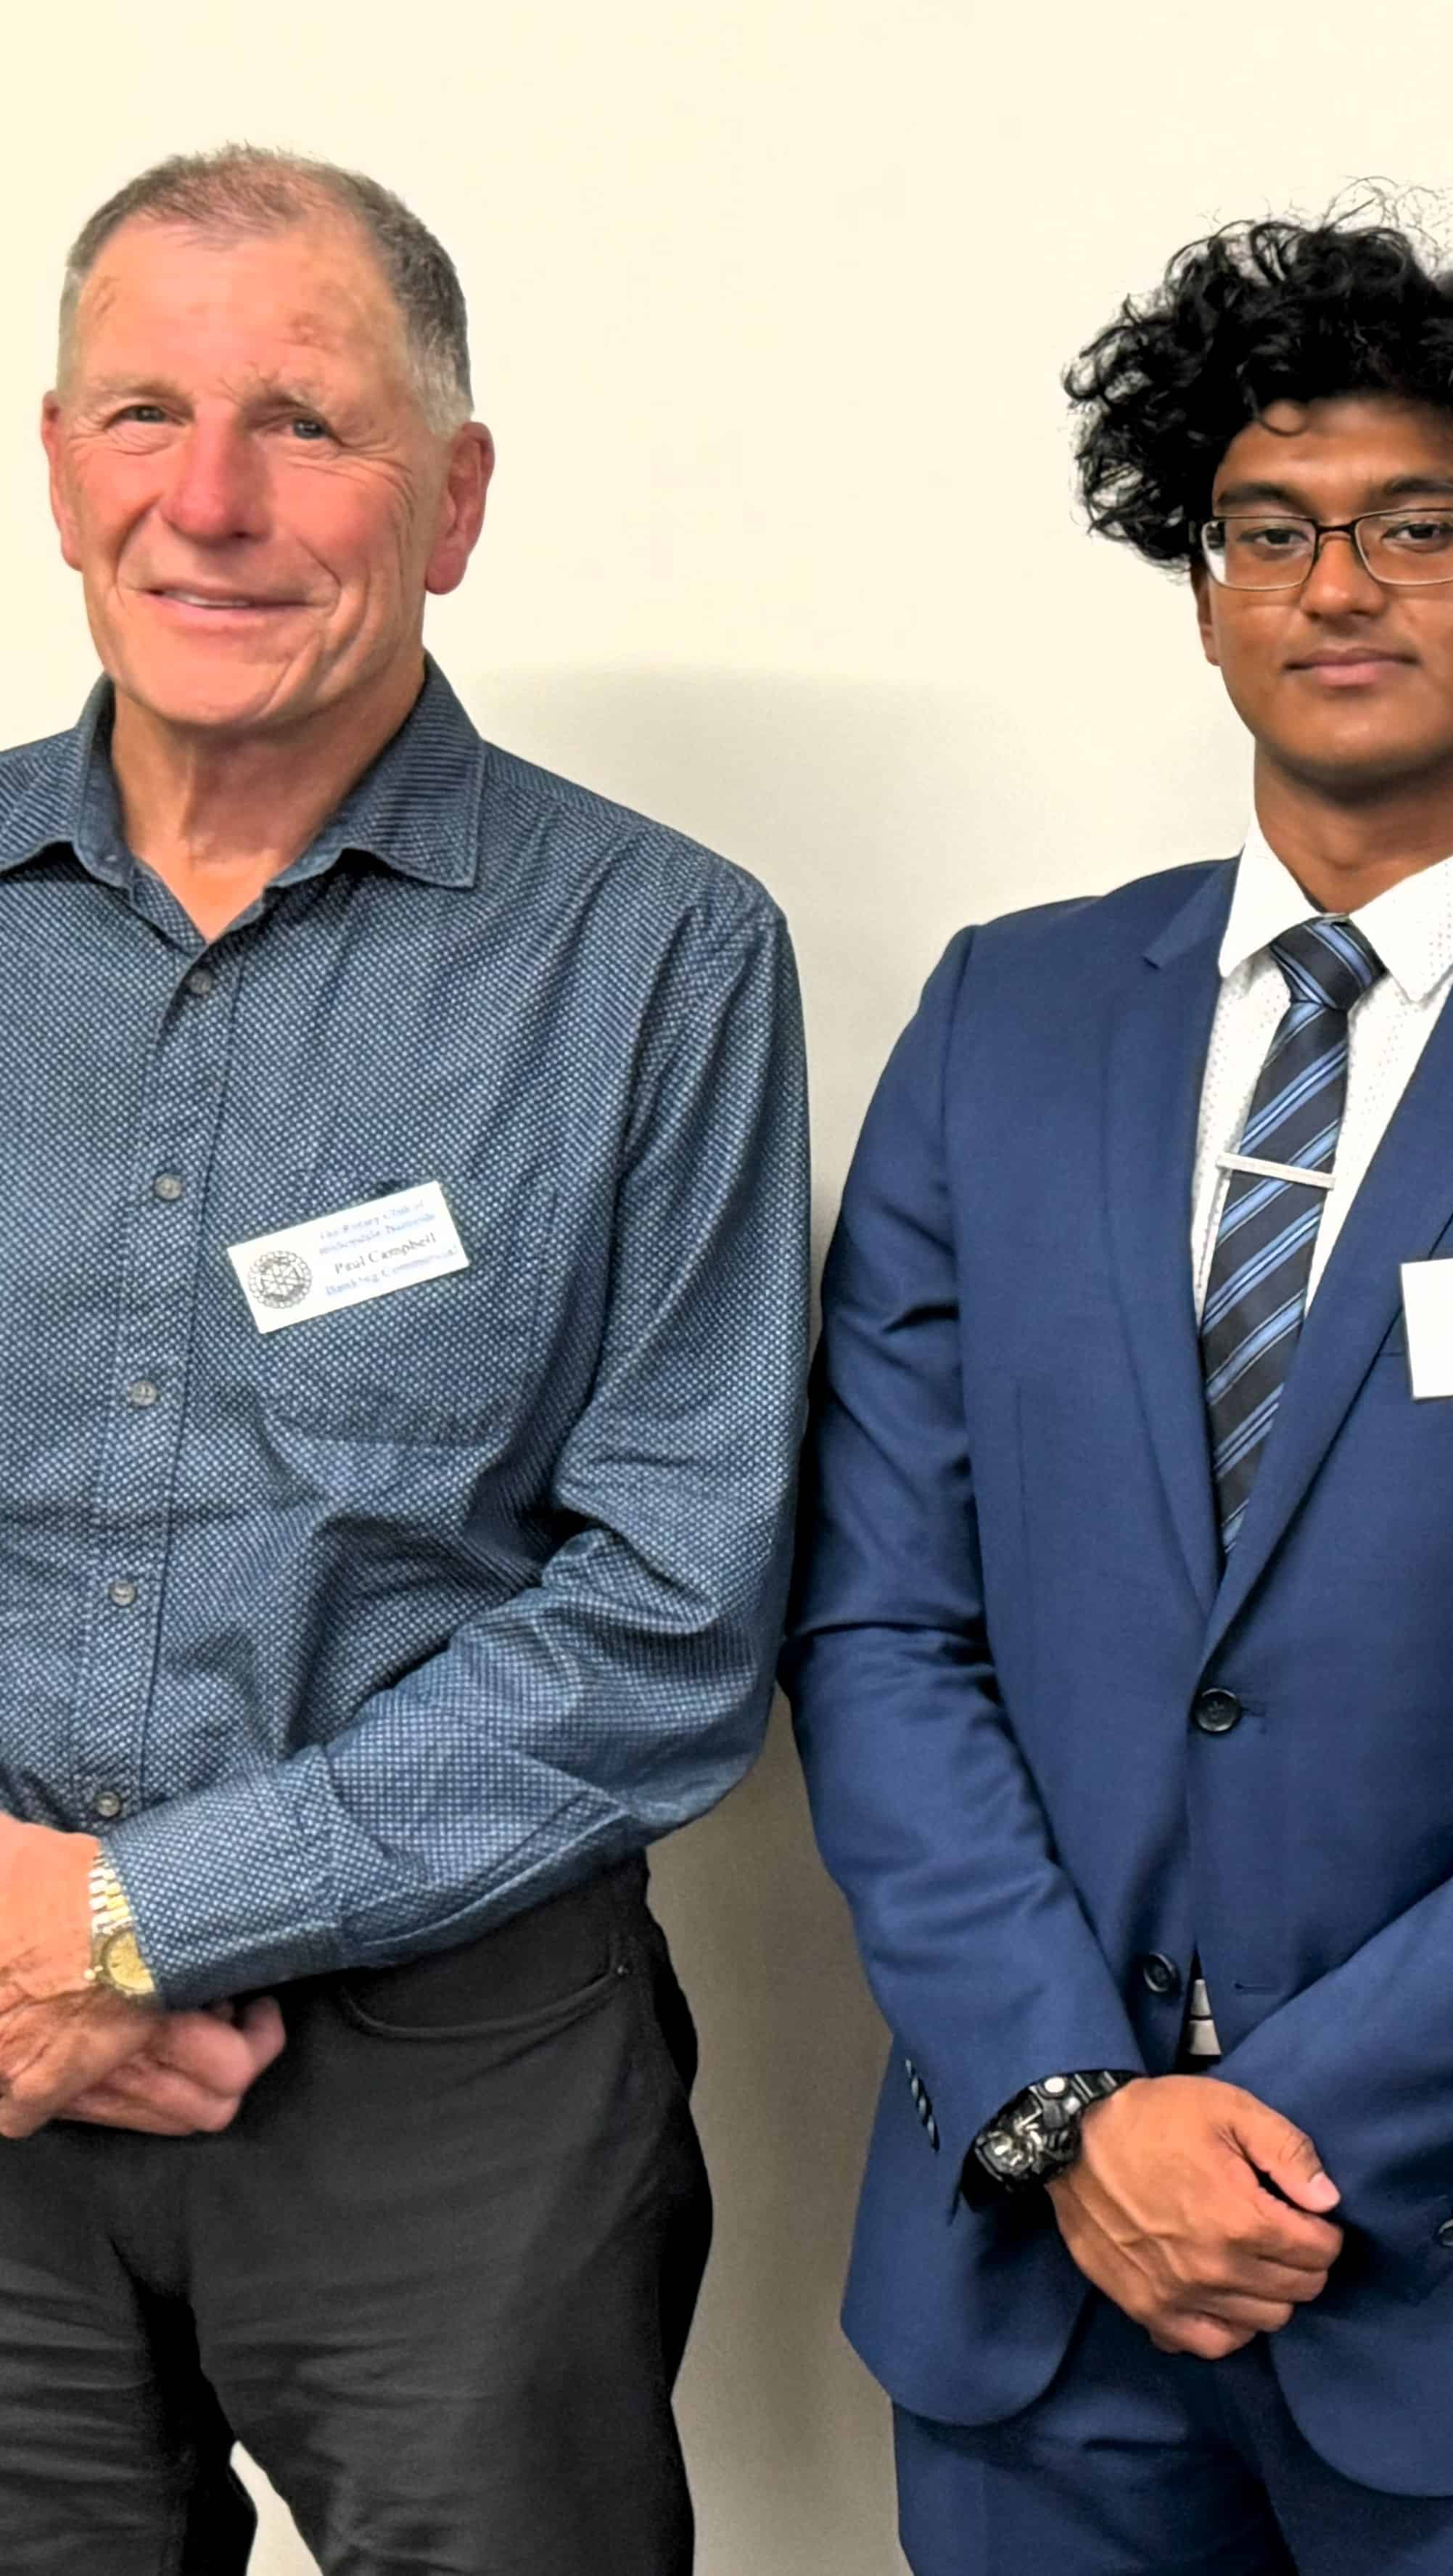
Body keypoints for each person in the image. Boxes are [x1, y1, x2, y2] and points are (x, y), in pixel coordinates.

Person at [787, 201, 1453, 2576]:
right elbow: (879, 1625)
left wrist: (1290, 2141)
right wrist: (1076, 2109)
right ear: (1204, 595)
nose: (1335, 586)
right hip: (1030, 2257)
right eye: (1266, 530)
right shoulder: (1000, 1023)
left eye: (1420, 527)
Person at [0, 148, 810, 2575]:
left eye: (306, 424)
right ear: (56, 465)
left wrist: (129, 1921)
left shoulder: (658, 954)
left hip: (456, 2093)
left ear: (452, 500)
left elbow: (672, 1609)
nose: (211, 501)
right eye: (145, 415)